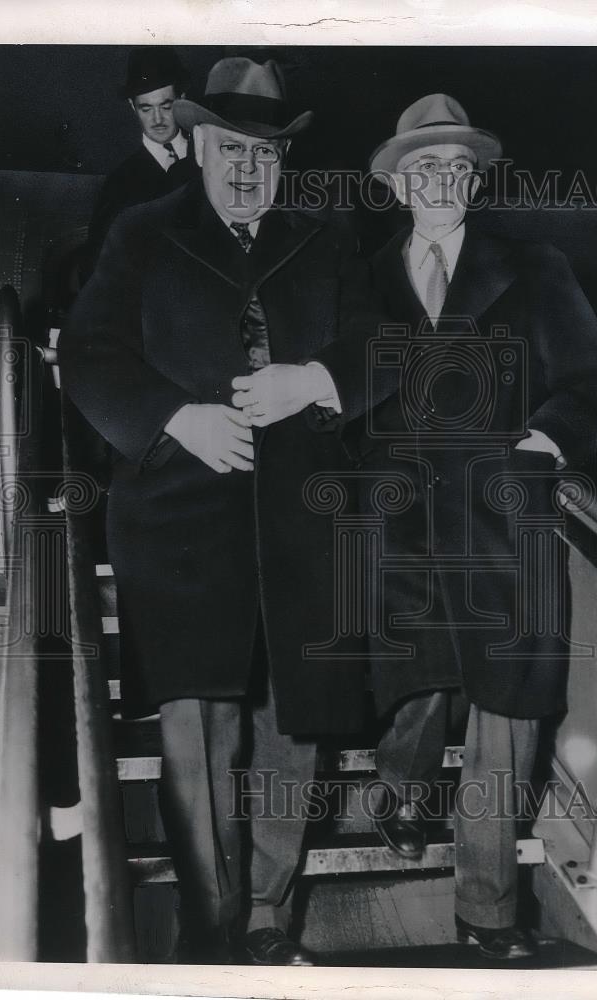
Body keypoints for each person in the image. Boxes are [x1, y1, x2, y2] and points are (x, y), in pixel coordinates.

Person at [60, 57, 392, 966]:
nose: (248, 169)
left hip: (299, 520)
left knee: (296, 721)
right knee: (197, 724)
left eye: (266, 153)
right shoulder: (139, 232)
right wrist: (175, 416)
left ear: (285, 161)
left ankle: (267, 918)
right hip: (178, 518)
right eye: (230, 148)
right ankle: (210, 921)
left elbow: (378, 348)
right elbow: (89, 353)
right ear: (198, 144)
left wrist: (313, 378)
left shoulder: (327, 239)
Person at [357, 94, 597, 960]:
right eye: (423, 168)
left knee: (502, 714)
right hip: (400, 523)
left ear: (473, 183)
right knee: (416, 687)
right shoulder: (360, 280)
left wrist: (544, 441)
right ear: (399, 186)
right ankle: (401, 792)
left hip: (500, 522)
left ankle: (486, 909)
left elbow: (594, 379)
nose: (441, 182)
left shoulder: (534, 264)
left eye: (456, 168)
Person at [85, 46, 197, 267]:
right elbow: (97, 268)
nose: (157, 119)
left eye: (166, 107)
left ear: (182, 99)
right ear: (132, 107)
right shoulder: (119, 183)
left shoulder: (210, 158)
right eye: (146, 109)